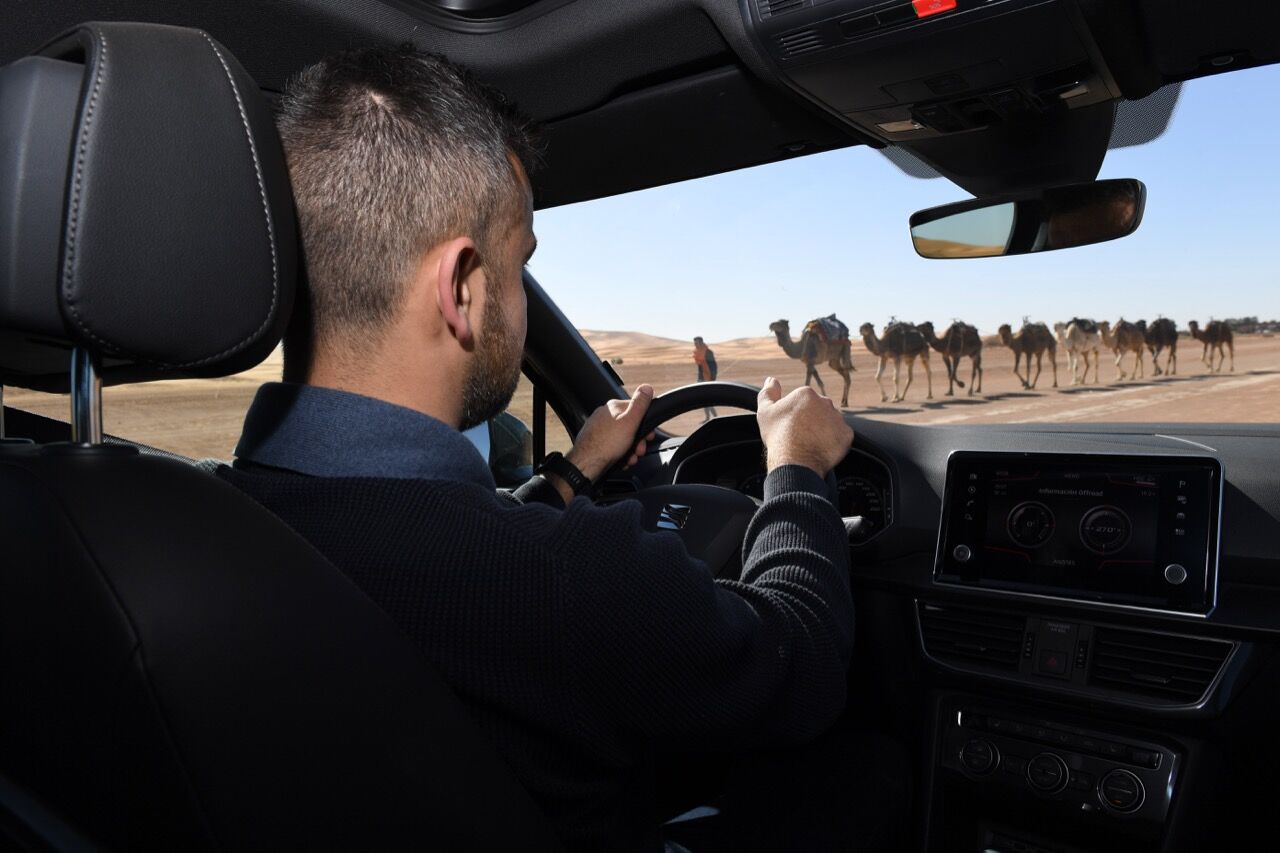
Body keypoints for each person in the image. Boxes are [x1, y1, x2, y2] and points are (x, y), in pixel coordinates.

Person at [219, 46, 861, 852]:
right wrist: (796, 468)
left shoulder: (199, 516)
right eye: (520, 264)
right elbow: (800, 666)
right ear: (461, 289)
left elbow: (441, 537)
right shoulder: (565, 578)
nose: (522, 300)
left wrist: (574, 470)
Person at [692, 335, 718, 421]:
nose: (695, 344)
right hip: (700, 378)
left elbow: (713, 366)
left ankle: (714, 417)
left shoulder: (708, 352)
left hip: (708, 378)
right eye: (694, 343)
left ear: (701, 342)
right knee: (703, 399)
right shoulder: (697, 352)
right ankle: (709, 417)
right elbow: (700, 366)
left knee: (707, 399)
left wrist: (712, 379)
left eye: (697, 343)